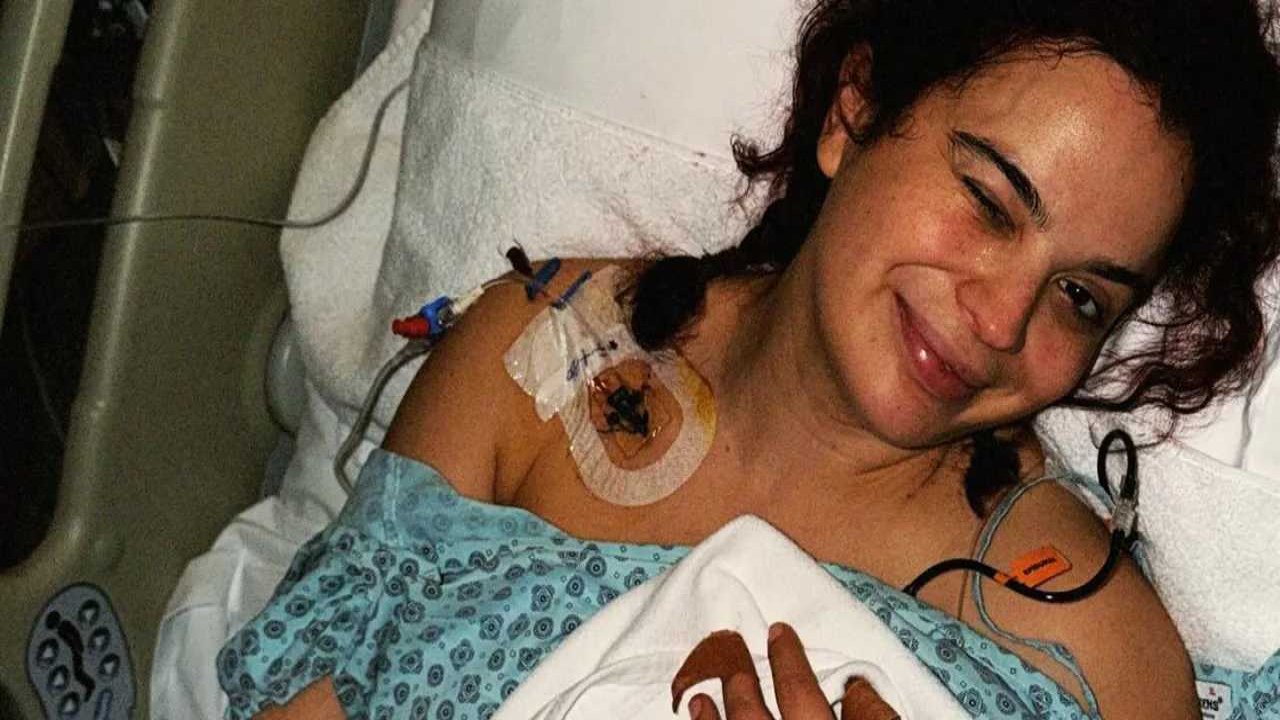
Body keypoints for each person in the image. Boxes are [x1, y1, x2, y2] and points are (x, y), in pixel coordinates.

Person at [218, 1, 1280, 718]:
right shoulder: (529, 362)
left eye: (1080, 297)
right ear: (854, 108)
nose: (1001, 322)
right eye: (988, 201)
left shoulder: (1087, 651)